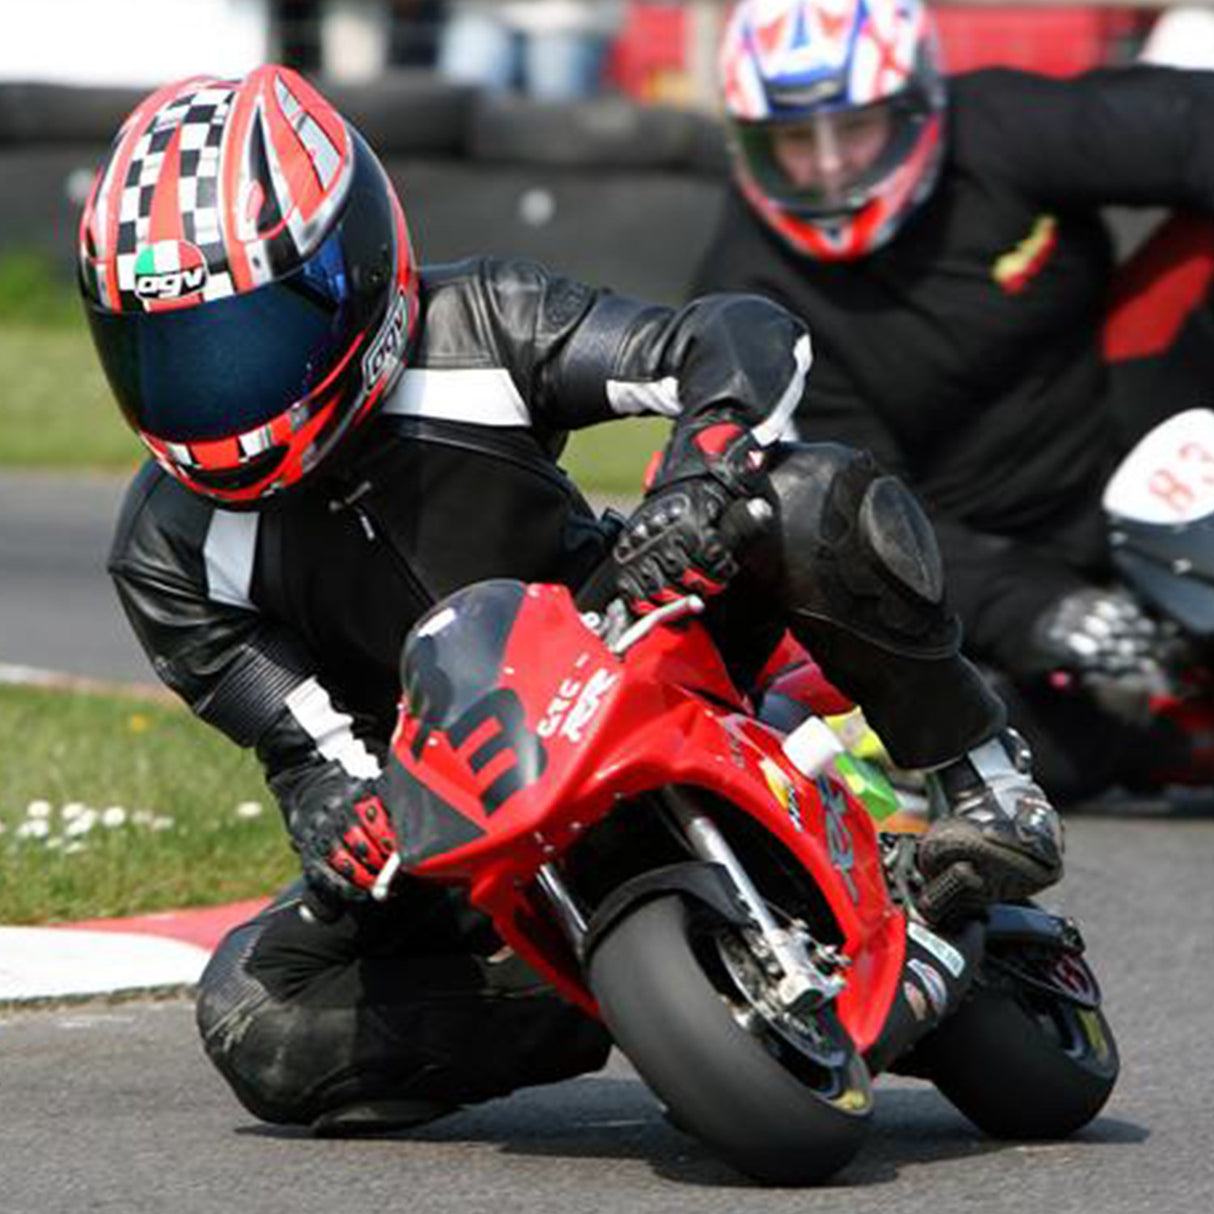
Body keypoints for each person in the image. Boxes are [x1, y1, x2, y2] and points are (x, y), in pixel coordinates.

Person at [81, 65, 1059, 1135]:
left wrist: (700, 472)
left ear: (348, 265)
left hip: (633, 639)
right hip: (453, 804)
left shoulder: (479, 323)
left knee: (805, 494)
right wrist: (332, 815)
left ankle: (980, 780)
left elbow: (727, 336)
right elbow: (308, 746)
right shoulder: (166, 555)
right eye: (164, 350)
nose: (217, 389)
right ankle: (600, 999)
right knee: (251, 1008)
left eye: (241, 338)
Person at [692, 0, 1214, 804]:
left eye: (854, 128)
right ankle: (1170, 725)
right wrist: (1041, 610)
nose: (829, 168)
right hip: (995, 560)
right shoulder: (749, 299)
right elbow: (853, 516)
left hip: (1140, 429)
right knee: (1009, 744)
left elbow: (1188, 121)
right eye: (795, 140)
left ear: (914, 107)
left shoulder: (1003, 122)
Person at [437, 1, 625, 101]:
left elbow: (612, 19)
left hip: (569, 35)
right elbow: (461, 7)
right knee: (473, 42)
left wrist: (571, 17)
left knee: (552, 54)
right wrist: (515, 15)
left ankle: (556, 155)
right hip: (493, 23)